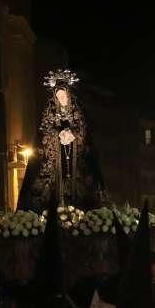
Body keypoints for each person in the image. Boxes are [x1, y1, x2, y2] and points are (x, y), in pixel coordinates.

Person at [17, 69, 104, 212]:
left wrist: (74, 134)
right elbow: (43, 134)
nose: (61, 98)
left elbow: (86, 132)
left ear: (68, 95)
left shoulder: (79, 112)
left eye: (63, 95)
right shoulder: (49, 114)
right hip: (56, 161)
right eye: (58, 96)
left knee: (86, 183)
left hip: (76, 161)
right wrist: (58, 134)